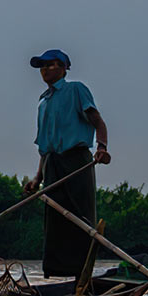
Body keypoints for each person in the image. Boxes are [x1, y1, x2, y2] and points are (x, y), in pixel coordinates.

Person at [22, 48, 110, 278]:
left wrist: (101, 147)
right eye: (42, 66)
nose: (45, 69)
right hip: (52, 164)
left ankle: (83, 275)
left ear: (63, 68)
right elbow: (44, 146)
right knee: (55, 221)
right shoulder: (43, 101)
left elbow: (98, 122)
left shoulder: (76, 90)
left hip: (76, 161)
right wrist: (37, 178)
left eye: (50, 65)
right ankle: (59, 276)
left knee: (79, 217)